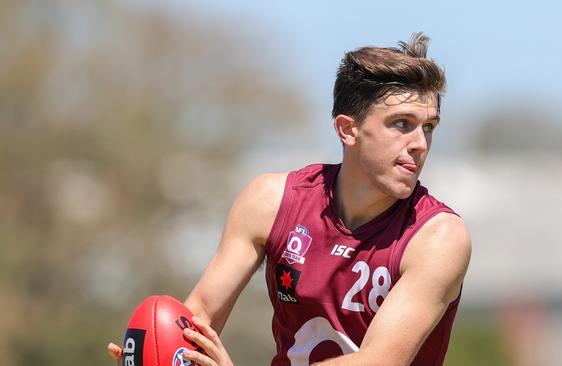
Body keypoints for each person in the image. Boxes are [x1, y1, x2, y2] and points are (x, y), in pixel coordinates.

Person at [108, 32, 471, 366]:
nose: (420, 144)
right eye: (402, 124)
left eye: (428, 127)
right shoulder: (271, 201)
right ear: (348, 129)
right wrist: (158, 352)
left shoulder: (439, 238)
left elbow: (377, 361)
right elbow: (199, 316)